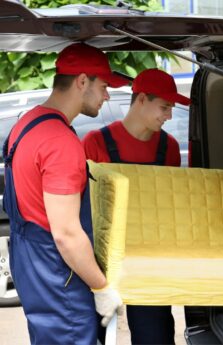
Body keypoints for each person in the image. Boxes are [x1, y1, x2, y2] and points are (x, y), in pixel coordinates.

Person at [2, 42, 130, 345]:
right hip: (59, 275)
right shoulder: (61, 142)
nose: (107, 95)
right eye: (104, 86)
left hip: (30, 263)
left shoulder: (27, 123)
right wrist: (101, 288)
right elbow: (66, 234)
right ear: (82, 81)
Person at [82, 68, 191, 345]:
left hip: (148, 259)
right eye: (164, 107)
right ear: (141, 99)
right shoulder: (96, 142)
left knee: (154, 336)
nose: (169, 116)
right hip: (101, 259)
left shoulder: (169, 147)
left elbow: (168, 205)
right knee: (92, 334)